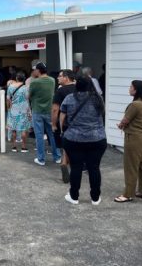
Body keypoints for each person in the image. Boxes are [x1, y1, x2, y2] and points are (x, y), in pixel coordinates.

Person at [59, 77, 107, 205]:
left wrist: (62, 131)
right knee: (94, 168)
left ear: (76, 85)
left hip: (74, 138)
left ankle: (74, 197)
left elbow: (62, 117)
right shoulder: (98, 98)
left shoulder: (69, 98)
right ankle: (95, 198)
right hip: (97, 138)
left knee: (76, 167)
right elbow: (102, 115)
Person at [114, 80, 142, 203]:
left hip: (135, 139)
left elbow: (126, 120)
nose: (129, 88)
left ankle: (128, 194)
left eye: (131, 87)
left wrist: (120, 126)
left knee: (131, 167)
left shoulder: (135, 104)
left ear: (136, 90)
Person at [29, 62, 61, 166]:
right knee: (52, 134)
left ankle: (41, 159)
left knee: (39, 135)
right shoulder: (52, 80)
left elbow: (28, 96)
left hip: (37, 111)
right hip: (49, 110)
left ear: (38, 70)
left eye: (35, 70)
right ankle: (57, 157)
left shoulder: (34, 82)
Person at [53, 69, 77, 183]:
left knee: (67, 145)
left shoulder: (61, 91)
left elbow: (55, 109)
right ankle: (65, 164)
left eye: (60, 76)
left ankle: (64, 164)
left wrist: (53, 123)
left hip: (66, 122)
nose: (58, 78)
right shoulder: (79, 88)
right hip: (80, 122)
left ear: (66, 78)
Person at [6, 72, 31, 153]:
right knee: (24, 129)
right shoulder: (26, 88)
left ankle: (14, 146)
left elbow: (8, 99)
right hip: (24, 109)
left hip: (14, 109)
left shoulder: (10, 87)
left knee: (14, 129)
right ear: (24, 79)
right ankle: (23, 147)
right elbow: (28, 98)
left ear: (16, 78)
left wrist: (8, 107)